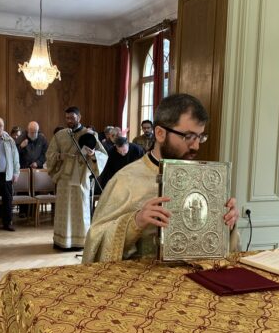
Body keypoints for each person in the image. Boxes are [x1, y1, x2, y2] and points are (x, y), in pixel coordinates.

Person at [83, 94, 239, 263]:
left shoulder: (206, 180)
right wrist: (135, 222)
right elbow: (95, 241)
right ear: (160, 133)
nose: (196, 146)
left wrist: (226, 224)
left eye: (200, 137)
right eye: (188, 137)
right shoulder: (125, 181)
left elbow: (218, 247)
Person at [46, 106, 108, 250]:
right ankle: (62, 240)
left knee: (81, 208)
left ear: (79, 117)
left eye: (72, 118)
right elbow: (50, 154)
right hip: (64, 178)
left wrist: (93, 154)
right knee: (64, 210)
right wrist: (59, 156)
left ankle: (80, 241)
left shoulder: (89, 134)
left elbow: (103, 154)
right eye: (67, 118)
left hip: (82, 177)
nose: (69, 121)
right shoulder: (60, 135)